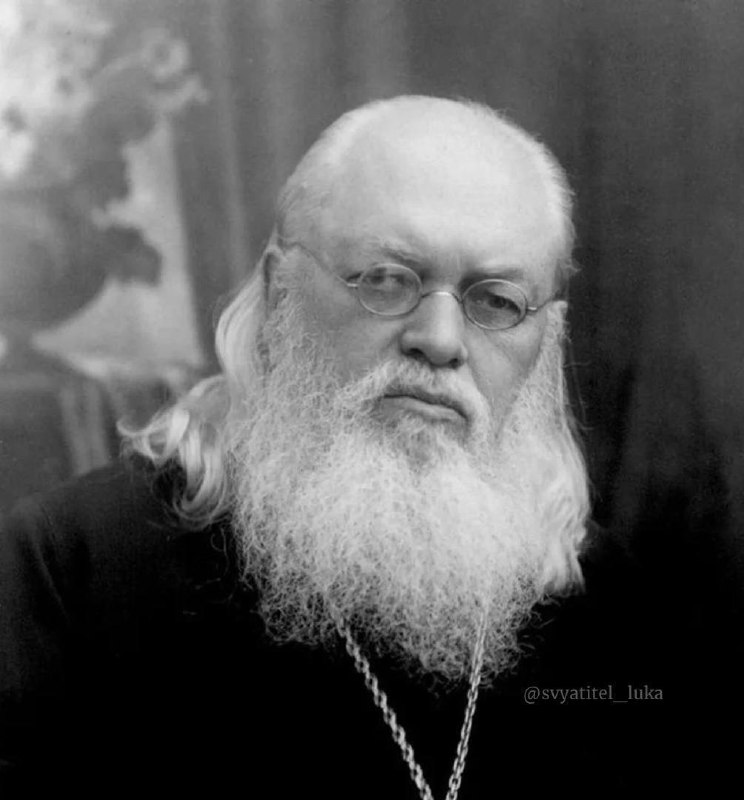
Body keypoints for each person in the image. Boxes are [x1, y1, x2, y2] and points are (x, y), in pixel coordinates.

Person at [0, 95, 705, 797]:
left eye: (496, 302)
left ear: (544, 339)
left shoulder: (613, 609)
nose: (440, 340)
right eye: (388, 279)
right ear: (280, 291)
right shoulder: (72, 567)